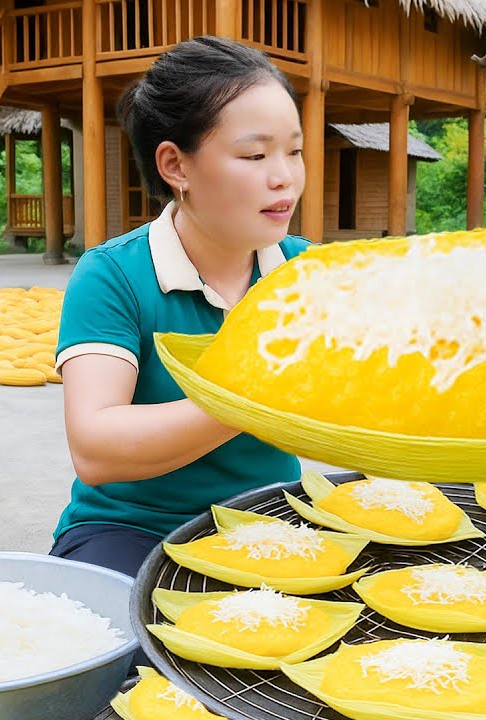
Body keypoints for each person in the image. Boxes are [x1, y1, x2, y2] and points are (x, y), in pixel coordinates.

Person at [49, 36, 311, 580]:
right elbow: (96, 447)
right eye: (255, 155)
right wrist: (256, 396)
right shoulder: (113, 275)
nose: (284, 176)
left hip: (269, 520)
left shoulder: (309, 275)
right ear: (175, 165)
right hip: (131, 529)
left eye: (294, 150)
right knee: (119, 633)